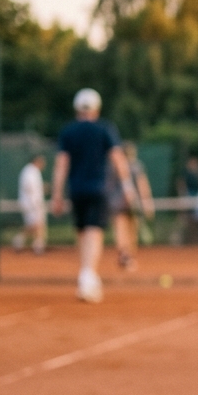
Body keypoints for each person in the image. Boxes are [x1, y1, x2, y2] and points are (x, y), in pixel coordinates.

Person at [50, 88, 133, 303]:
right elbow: (118, 158)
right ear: (97, 108)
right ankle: (87, 277)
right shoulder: (105, 129)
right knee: (94, 233)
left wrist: (57, 194)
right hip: (99, 189)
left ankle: (88, 275)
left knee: (82, 233)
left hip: (76, 191)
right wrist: (127, 186)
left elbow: (61, 164)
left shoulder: (68, 132)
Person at [106, 142, 154, 271]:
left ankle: (124, 255)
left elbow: (108, 187)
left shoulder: (112, 167)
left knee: (120, 230)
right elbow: (143, 185)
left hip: (116, 203)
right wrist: (147, 203)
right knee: (132, 231)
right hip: (133, 204)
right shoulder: (136, 166)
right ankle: (128, 257)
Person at [13, 154, 47, 255]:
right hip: (30, 203)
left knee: (35, 225)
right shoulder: (29, 171)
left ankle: (35, 245)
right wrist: (35, 203)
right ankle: (36, 246)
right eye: (42, 161)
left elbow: (36, 188)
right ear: (37, 161)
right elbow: (30, 188)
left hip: (32, 203)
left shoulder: (33, 171)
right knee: (36, 225)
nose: (44, 164)